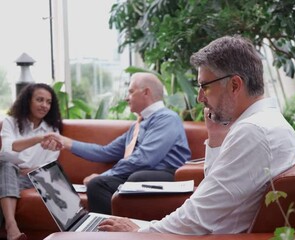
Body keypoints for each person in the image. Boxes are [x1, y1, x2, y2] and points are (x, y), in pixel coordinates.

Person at [97, 35, 295, 234]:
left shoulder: (253, 132)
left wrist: (141, 231)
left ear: (235, 85)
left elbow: (197, 217)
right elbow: (214, 194)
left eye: (205, 86)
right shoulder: (265, 122)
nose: (200, 97)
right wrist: (215, 138)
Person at [50, 72, 191, 214]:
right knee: (98, 185)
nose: (126, 98)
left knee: (132, 178)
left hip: (165, 175)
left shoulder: (167, 119)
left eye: (130, 92)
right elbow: (105, 152)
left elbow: (144, 159)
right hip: (138, 176)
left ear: (146, 92)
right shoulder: (137, 126)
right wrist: (67, 143)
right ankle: (107, 230)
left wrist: (105, 175)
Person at [0, 83, 63, 240]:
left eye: (48, 102)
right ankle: (11, 225)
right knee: (7, 168)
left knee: (6, 171)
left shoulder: (52, 130)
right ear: (28, 101)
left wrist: (29, 169)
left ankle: (10, 226)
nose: (44, 105)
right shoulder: (10, 122)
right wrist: (37, 139)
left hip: (32, 178)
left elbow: (50, 163)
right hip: (9, 172)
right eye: (39, 100)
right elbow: (6, 152)